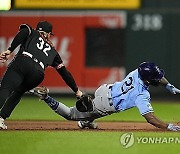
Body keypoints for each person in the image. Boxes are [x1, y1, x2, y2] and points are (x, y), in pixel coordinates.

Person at [30, 61, 180, 131]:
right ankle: (46, 97)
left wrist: (167, 85)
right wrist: (169, 126)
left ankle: (86, 121)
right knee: (70, 114)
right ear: (148, 79)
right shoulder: (142, 94)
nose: (158, 79)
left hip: (104, 89)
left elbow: (156, 78)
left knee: (89, 115)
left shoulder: (137, 71)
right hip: (105, 104)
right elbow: (150, 118)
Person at [0, 21, 82, 130]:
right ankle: (1, 118)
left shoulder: (32, 32)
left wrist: (10, 49)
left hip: (23, 60)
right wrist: (76, 91)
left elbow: (24, 31)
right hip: (38, 73)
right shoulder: (53, 52)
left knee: (6, 88)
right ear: (48, 34)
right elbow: (64, 73)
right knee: (18, 92)